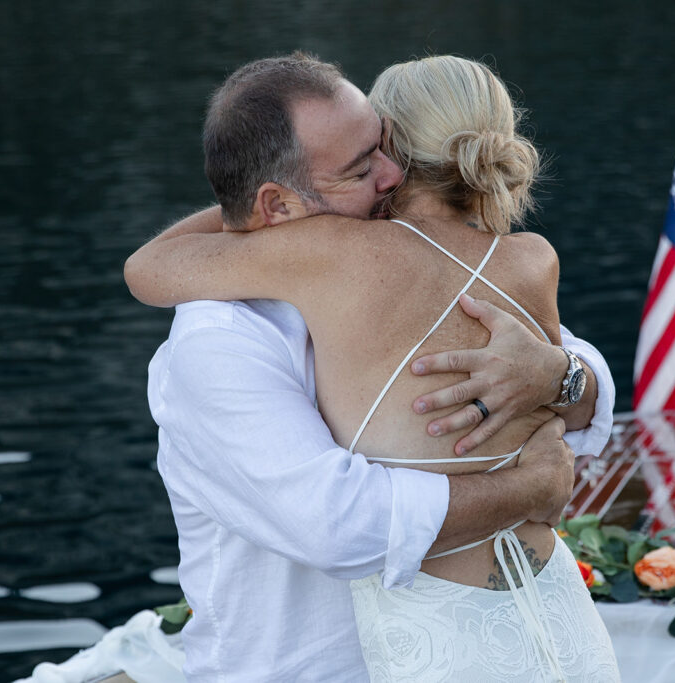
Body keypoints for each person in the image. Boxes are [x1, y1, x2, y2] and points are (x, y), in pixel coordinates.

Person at [125, 53, 618, 681]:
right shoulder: (218, 341)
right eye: (363, 167)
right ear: (277, 208)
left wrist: (558, 375)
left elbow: (576, 372)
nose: (392, 176)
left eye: (390, 149)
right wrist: (532, 487)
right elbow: (340, 527)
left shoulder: (395, 263)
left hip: (461, 643)